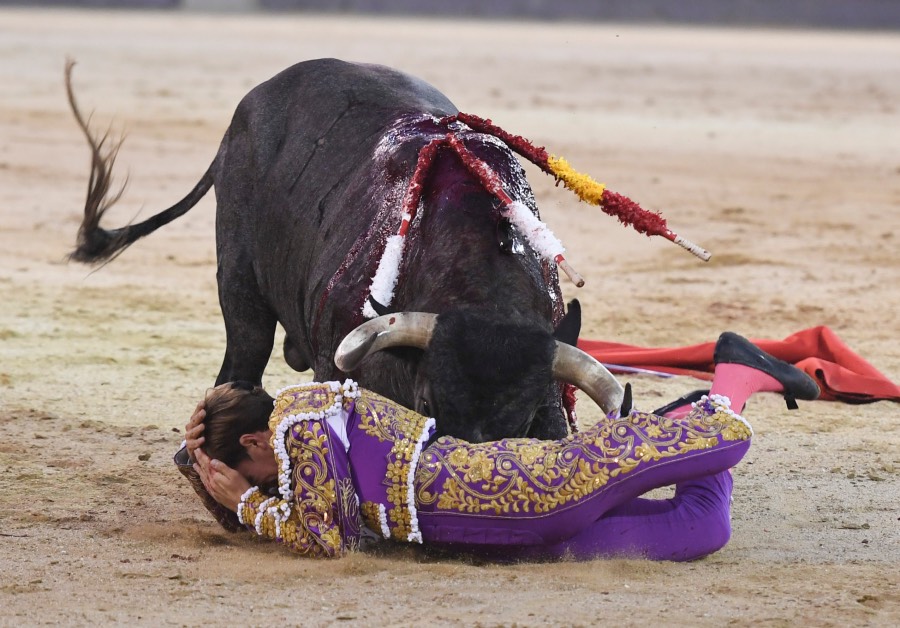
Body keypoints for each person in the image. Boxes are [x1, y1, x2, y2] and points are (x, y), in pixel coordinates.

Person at [174, 332, 819, 561]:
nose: (263, 485)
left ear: (260, 439)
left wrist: (247, 503)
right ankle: (734, 372)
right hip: (516, 532)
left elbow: (326, 537)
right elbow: (307, 514)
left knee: (719, 443)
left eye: (255, 473)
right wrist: (196, 457)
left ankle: (715, 395)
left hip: (535, 491)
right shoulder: (298, 415)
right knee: (703, 527)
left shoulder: (300, 428)